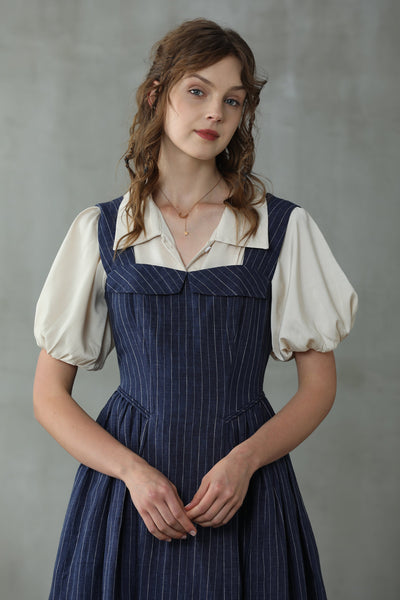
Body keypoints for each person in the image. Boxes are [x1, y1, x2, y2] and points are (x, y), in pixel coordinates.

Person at [33, 18, 358, 600]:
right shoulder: (102, 229)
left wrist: (245, 462)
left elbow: (318, 387)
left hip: (245, 493)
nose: (215, 113)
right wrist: (132, 473)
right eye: (197, 91)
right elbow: (48, 396)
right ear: (156, 95)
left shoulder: (281, 228)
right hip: (129, 497)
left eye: (232, 100)